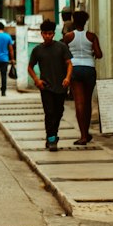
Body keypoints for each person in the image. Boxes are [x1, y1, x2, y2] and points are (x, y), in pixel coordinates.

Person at [28, 19, 73, 150]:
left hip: (61, 86)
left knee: (59, 112)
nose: (48, 36)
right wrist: (37, 80)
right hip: (46, 87)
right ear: (41, 34)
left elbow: (69, 63)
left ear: (54, 34)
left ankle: (53, 135)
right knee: (49, 112)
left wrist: (68, 78)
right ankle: (51, 139)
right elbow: (30, 67)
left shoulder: (61, 47)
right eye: (45, 33)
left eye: (50, 33)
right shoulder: (37, 50)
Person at [63, 9, 103, 147]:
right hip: (89, 69)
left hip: (74, 69)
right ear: (86, 22)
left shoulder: (68, 36)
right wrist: (90, 52)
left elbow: (63, 53)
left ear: (74, 21)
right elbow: (99, 54)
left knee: (79, 102)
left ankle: (83, 136)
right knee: (87, 102)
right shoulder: (91, 36)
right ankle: (86, 132)